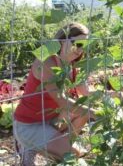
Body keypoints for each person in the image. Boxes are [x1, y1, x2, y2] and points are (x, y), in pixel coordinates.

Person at [13, 23, 96, 164]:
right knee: (73, 154)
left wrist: (112, 98)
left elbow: (87, 94)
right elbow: (62, 101)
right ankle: (27, 143)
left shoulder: (73, 65)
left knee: (82, 114)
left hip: (52, 119)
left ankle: (51, 146)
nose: (80, 50)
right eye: (78, 43)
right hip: (29, 124)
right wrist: (95, 113)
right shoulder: (45, 61)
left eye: (85, 46)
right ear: (63, 40)